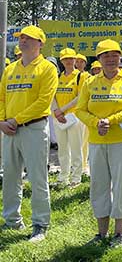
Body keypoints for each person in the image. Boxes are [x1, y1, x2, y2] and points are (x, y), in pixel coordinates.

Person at [75, 39, 122, 247]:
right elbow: (80, 109)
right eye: (106, 55)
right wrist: (96, 123)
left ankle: (119, 234)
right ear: (99, 59)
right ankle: (101, 233)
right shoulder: (90, 82)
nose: (111, 59)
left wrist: (109, 121)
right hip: (97, 141)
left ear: (120, 57)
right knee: (99, 186)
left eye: (115, 55)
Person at [0, 25, 58, 242]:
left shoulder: (47, 68)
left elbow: (43, 101)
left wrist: (15, 120)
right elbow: (2, 98)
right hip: (9, 130)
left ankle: (40, 224)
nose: (23, 41)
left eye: (29, 38)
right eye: (21, 37)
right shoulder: (11, 69)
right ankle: (12, 220)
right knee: (10, 177)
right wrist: (2, 121)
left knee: (37, 177)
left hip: (33, 128)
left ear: (40, 43)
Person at [51, 48, 84, 187]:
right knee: (63, 149)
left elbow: (80, 96)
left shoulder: (80, 76)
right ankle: (63, 176)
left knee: (76, 148)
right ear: (61, 61)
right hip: (58, 117)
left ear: (75, 60)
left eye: (71, 58)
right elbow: (51, 95)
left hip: (74, 117)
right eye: (65, 59)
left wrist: (62, 110)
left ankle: (76, 178)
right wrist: (56, 111)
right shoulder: (58, 77)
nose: (68, 61)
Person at [74, 53, 91, 174]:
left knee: (84, 141)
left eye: (82, 61)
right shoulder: (68, 76)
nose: (79, 63)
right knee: (73, 143)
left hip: (83, 112)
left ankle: (83, 166)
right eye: (77, 61)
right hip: (70, 114)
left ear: (85, 63)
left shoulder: (87, 76)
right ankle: (74, 166)